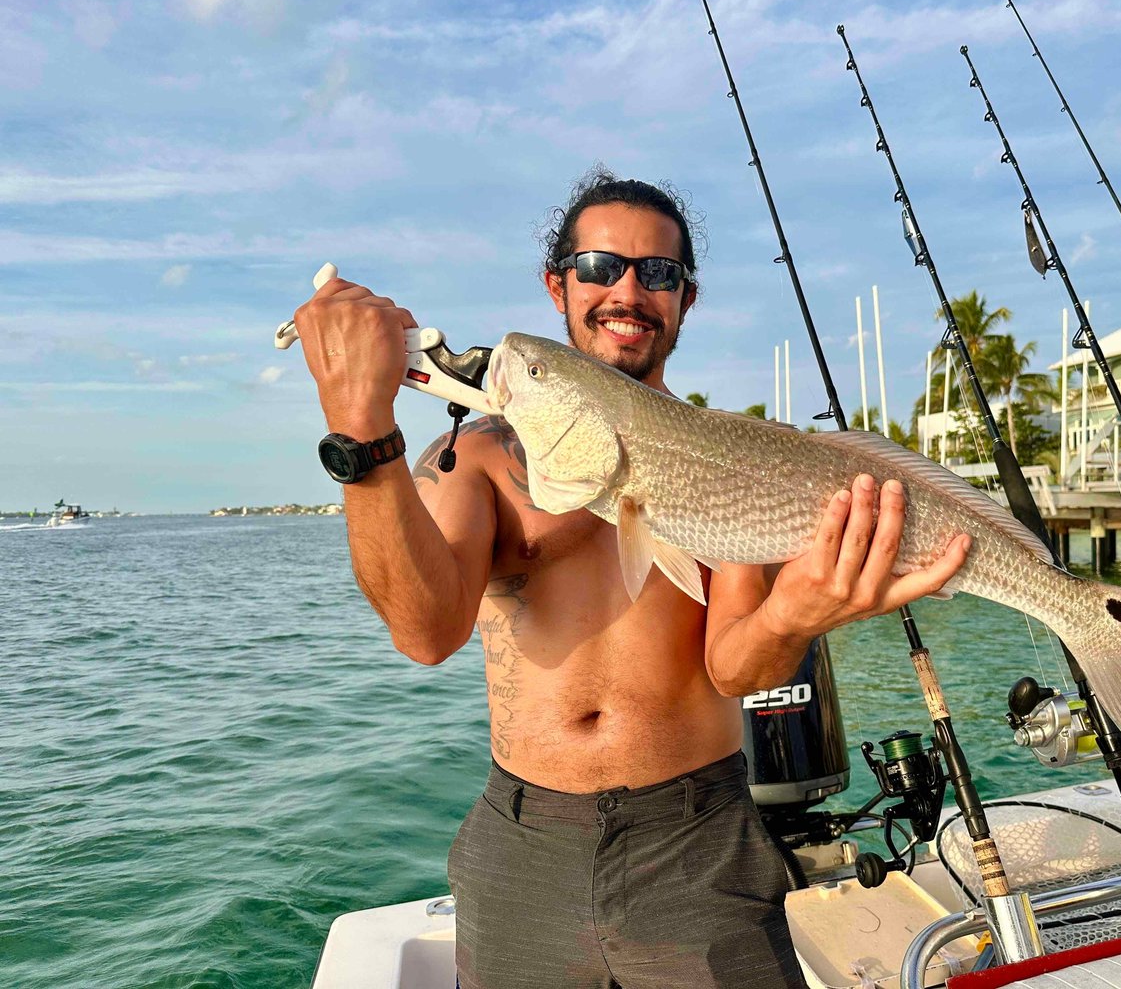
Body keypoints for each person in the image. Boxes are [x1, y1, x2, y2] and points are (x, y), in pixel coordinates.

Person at [292, 169, 970, 988]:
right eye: (598, 266)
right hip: (524, 842)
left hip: (699, 841)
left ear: (686, 298)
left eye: (657, 274)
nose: (627, 290)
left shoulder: (735, 460)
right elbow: (425, 631)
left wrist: (794, 617)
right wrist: (359, 431)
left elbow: (734, 668)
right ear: (558, 285)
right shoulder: (472, 458)